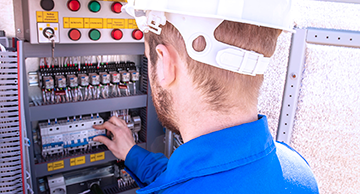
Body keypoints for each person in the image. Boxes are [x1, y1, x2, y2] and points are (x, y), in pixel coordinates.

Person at [93, 0, 319, 193]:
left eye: (148, 58)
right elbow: (191, 178)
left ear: (164, 63)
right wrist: (132, 154)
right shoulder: (299, 174)